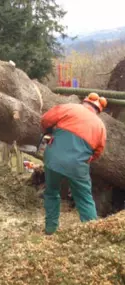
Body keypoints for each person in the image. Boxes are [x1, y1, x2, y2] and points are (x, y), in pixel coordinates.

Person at [41, 93, 107, 235]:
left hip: (54, 158)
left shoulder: (70, 108)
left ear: (85, 102)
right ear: (98, 110)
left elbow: (46, 119)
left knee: (52, 192)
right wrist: (83, 160)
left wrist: (48, 130)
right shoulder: (101, 127)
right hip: (78, 166)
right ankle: (92, 233)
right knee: (84, 199)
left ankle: (50, 229)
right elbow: (97, 152)